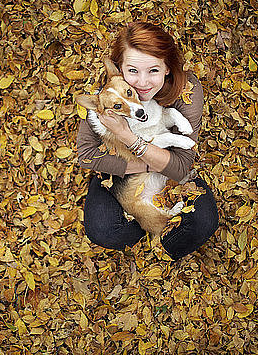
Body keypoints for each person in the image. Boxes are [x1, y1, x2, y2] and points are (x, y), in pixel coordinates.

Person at [76, 21, 219, 260]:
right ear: (119, 69)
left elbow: (180, 167)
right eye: (132, 71)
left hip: (171, 172)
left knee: (203, 223)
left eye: (153, 70)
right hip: (119, 176)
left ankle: (163, 243)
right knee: (103, 230)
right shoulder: (108, 95)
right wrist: (140, 164)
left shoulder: (188, 89)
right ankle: (144, 229)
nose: (142, 83)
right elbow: (87, 155)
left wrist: (128, 137)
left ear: (167, 68)